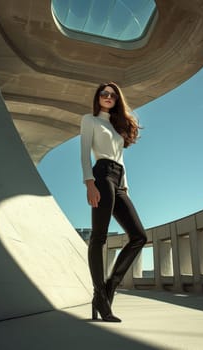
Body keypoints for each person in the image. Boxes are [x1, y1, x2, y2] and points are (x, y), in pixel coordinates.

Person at [80, 82, 147, 322]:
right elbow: (85, 151)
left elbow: (121, 159)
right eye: (104, 94)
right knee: (99, 236)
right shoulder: (90, 120)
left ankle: (109, 287)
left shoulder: (117, 126)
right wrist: (89, 182)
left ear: (117, 99)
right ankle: (100, 295)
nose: (108, 97)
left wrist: (125, 187)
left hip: (119, 180)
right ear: (98, 97)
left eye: (112, 95)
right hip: (101, 175)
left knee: (139, 236)